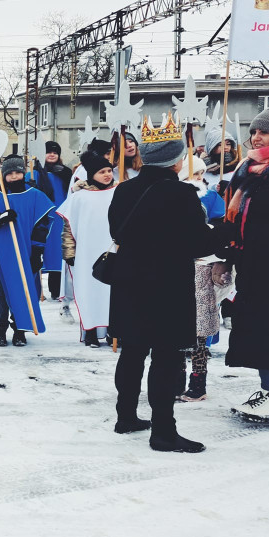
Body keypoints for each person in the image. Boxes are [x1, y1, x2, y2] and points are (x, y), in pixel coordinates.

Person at [107, 116, 224, 453]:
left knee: (132, 351)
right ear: (176, 159)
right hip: (167, 284)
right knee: (166, 356)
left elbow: (117, 231)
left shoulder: (125, 189)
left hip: (129, 280)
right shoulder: (182, 193)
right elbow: (201, 243)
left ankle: (126, 415)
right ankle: (163, 431)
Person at [225, 105, 269, 421]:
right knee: (267, 327)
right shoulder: (248, 169)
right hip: (255, 264)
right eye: (253, 131)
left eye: (263, 131)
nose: (255, 138)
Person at [0, 155, 54, 347]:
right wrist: (0, 217)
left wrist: (37, 250)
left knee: (25, 291)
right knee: (2, 292)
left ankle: (20, 328)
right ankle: (0, 329)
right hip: (5, 253)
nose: (15, 177)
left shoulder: (34, 195)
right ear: (4, 175)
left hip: (27, 250)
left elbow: (43, 224)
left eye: (19, 172)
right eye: (11, 174)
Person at [175, 155, 233, 402]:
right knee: (176, 330)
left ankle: (198, 383)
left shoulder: (210, 198)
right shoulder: (175, 197)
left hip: (203, 267)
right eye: (194, 174)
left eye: (201, 174)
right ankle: (176, 379)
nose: (199, 179)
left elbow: (221, 226)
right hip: (178, 270)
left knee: (200, 333)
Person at [58, 151, 116, 348]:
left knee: (112, 293)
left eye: (109, 170)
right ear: (92, 175)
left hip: (112, 251)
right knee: (89, 292)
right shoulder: (80, 197)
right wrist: (69, 252)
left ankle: (113, 331)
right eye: (102, 171)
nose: (107, 174)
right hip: (86, 253)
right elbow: (68, 227)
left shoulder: (118, 193)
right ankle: (90, 331)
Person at [29, 141, 71, 299]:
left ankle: (57, 290)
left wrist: (67, 175)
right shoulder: (35, 174)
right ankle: (37, 290)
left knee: (57, 254)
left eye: (55, 152)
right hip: (42, 217)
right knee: (39, 251)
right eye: (48, 152)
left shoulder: (65, 173)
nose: (52, 154)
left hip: (61, 216)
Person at [201, 126, 241, 191]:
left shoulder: (238, 166)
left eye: (228, 144)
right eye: (220, 145)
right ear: (211, 147)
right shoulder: (202, 169)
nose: (225, 147)